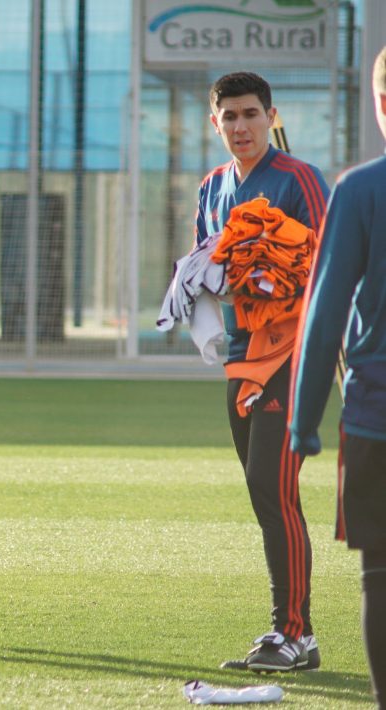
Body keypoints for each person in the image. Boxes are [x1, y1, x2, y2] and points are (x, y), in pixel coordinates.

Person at [192, 72, 329, 673]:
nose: (241, 126)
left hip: (293, 352)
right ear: (214, 122)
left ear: (271, 117)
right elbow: (207, 264)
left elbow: (331, 258)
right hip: (241, 356)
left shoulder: (299, 178)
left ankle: (292, 633)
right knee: (262, 488)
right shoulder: (211, 187)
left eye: (251, 114)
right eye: (230, 117)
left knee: (273, 488)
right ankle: (295, 635)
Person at [290, 45, 386, 707]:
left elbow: (323, 317)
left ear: (380, 102)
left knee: (380, 577)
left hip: (374, 421)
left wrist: (301, 425)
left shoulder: (359, 189)